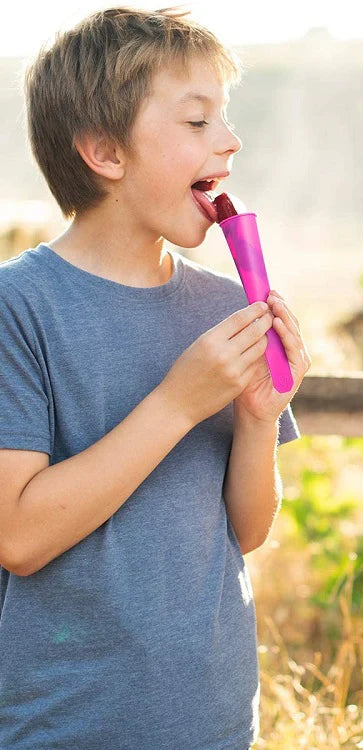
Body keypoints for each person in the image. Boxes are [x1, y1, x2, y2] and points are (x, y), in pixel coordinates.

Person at [0, 7, 310, 749]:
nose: (230, 142)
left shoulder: (225, 305)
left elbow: (247, 529)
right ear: (105, 151)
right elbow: (19, 536)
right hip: (64, 724)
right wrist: (177, 403)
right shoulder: (20, 308)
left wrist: (261, 418)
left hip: (211, 720)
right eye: (198, 122)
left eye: (225, 119)